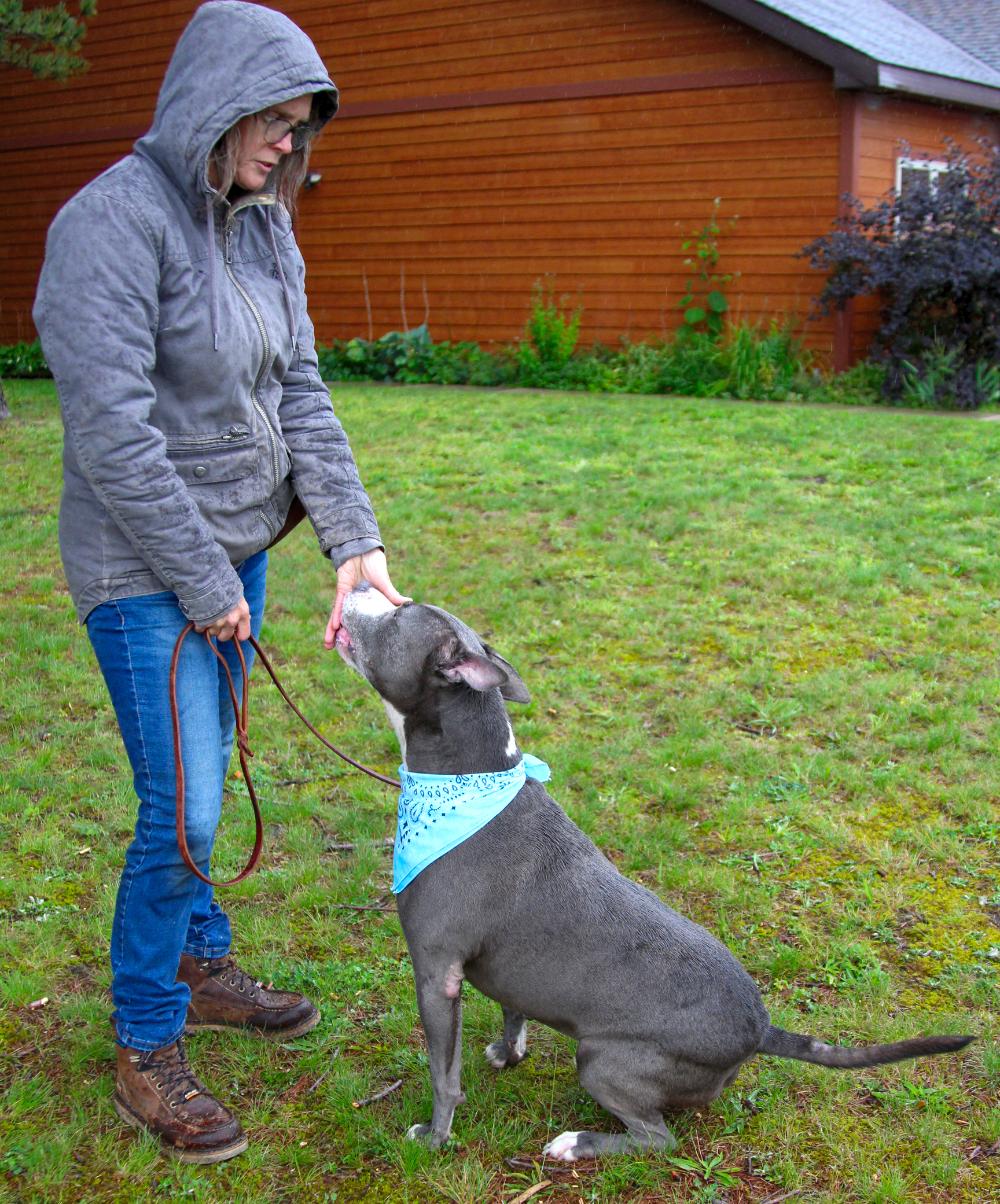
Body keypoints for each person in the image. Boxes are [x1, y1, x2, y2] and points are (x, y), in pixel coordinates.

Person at [33, 0, 407, 1164]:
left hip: (233, 551)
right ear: (216, 102)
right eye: (275, 122)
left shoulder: (262, 227)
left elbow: (299, 391)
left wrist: (356, 541)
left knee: (199, 782)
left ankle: (199, 964)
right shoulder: (107, 224)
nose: (289, 147)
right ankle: (146, 1040)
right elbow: (113, 434)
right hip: (139, 564)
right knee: (186, 808)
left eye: (301, 127)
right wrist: (202, 579)